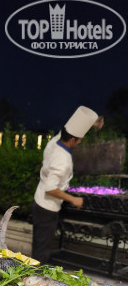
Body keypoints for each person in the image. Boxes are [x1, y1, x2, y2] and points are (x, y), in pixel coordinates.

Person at [32, 106, 100, 264]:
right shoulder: (62, 159)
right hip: (47, 208)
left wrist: (89, 123)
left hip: (39, 202)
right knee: (41, 253)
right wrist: (73, 199)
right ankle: (33, 276)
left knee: (39, 246)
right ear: (72, 140)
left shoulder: (54, 142)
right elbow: (50, 188)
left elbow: (69, 128)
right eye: (79, 139)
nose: (80, 142)